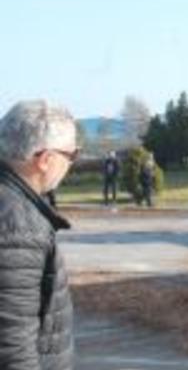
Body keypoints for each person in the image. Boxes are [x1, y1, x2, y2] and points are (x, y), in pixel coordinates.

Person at [0, 100, 76, 369]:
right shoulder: (18, 227)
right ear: (45, 160)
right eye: (71, 155)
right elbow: (12, 347)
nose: (71, 164)